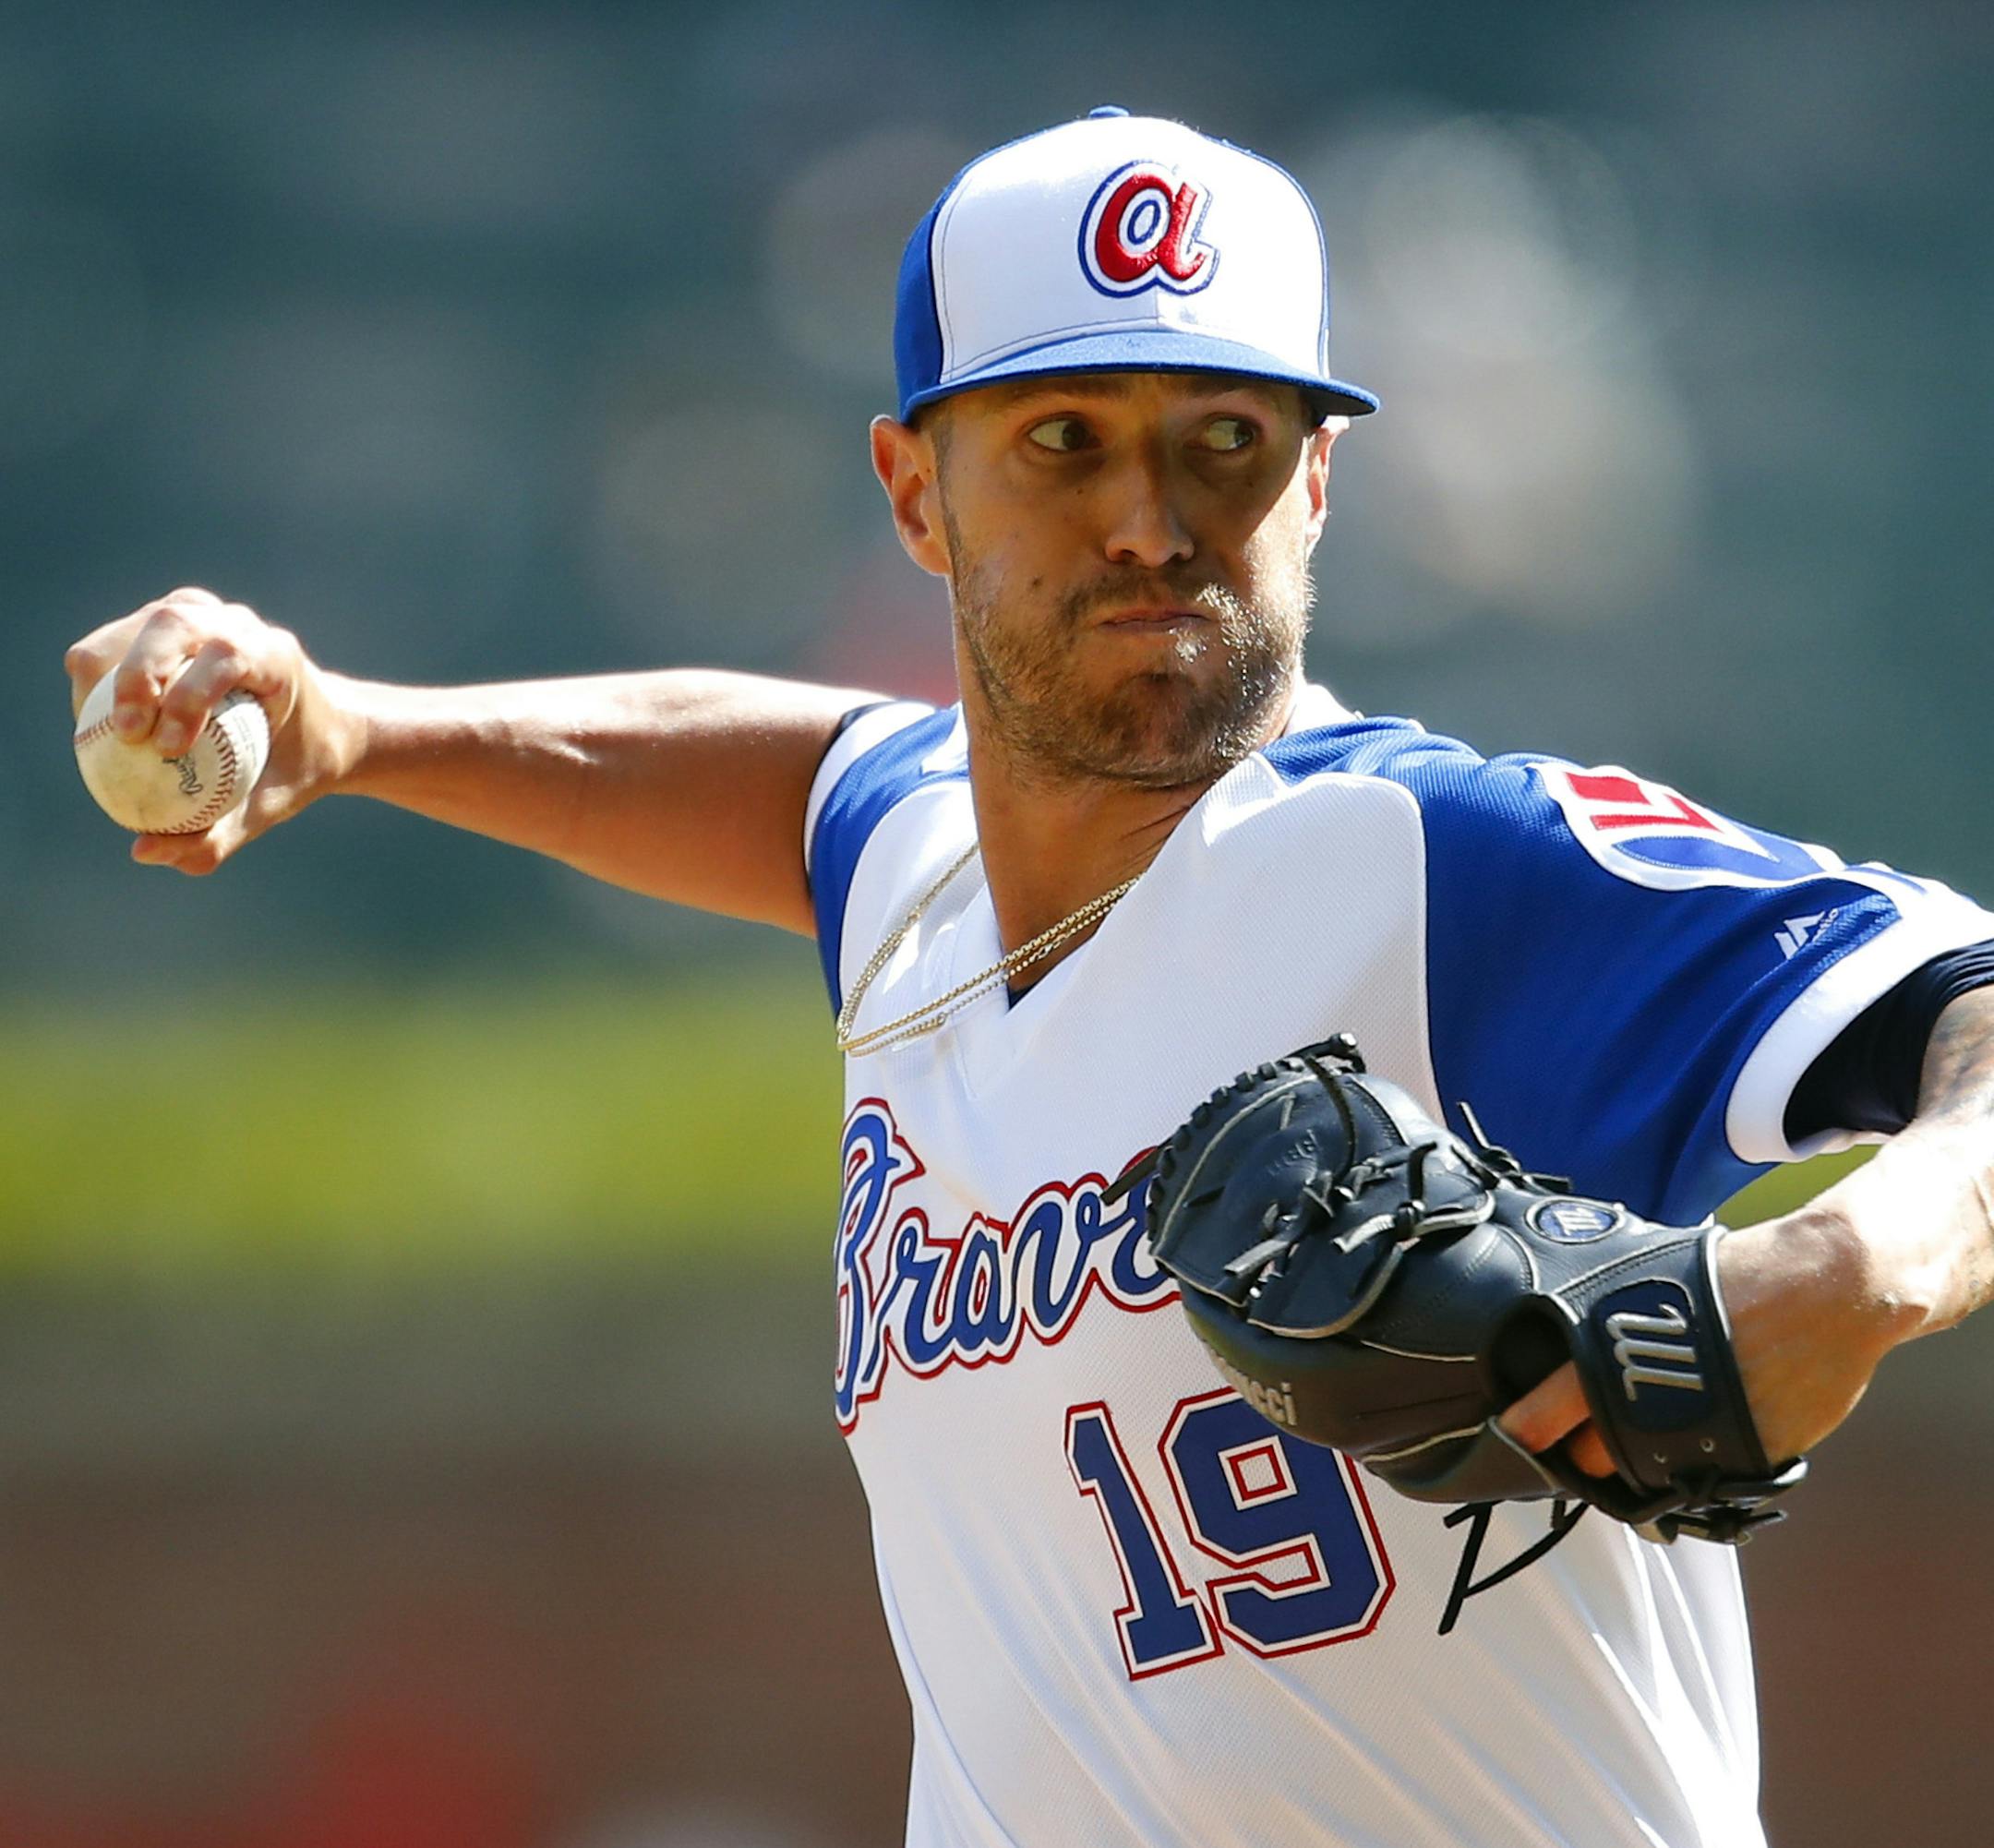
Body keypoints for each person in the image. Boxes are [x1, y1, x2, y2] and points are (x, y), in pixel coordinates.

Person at [64, 108, 1994, 1848]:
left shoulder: (1430, 861)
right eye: (1063, 442)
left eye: (1221, 443)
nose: (1150, 521)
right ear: (916, 493)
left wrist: (1840, 1268)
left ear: (1317, 484)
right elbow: (789, 770)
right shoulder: (913, 877)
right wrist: (356, 727)